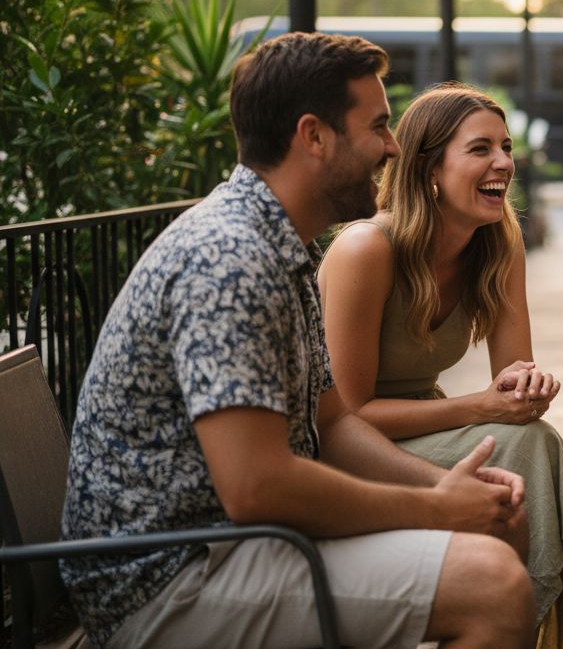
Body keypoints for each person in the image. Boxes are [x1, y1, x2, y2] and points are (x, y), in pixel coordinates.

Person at [60, 32, 534, 649]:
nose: (393, 148)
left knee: (496, 527)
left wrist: (443, 489)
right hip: (171, 578)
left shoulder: (280, 246)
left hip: (235, 545)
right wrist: (434, 508)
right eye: (378, 127)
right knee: (491, 584)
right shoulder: (229, 259)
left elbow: (331, 424)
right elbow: (257, 487)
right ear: (314, 137)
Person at [317, 82, 563, 649]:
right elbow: (347, 415)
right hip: (349, 453)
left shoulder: (497, 242)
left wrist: (526, 389)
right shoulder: (366, 250)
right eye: (481, 148)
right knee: (529, 450)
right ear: (429, 168)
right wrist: (483, 406)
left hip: (427, 429)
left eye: (507, 147)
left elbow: (511, 378)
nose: (504, 163)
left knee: (530, 443)